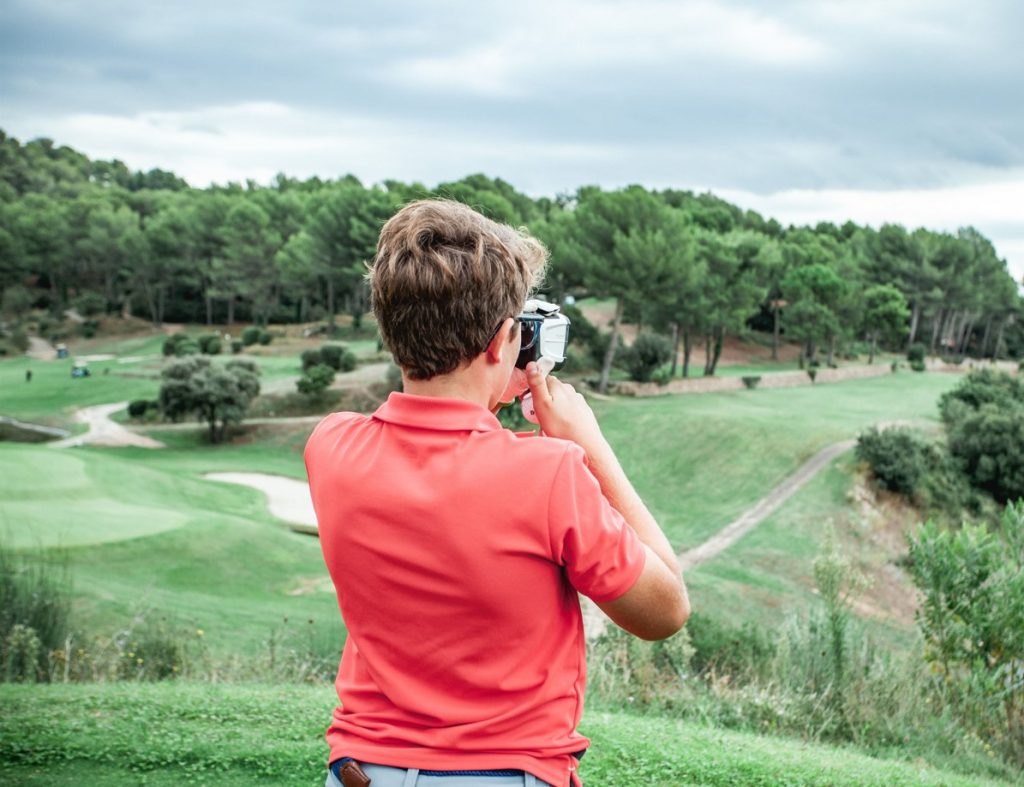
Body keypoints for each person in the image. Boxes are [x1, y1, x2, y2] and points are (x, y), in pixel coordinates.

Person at [305, 200, 689, 787]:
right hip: (501, 772)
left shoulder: (330, 448)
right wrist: (590, 444)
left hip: (361, 769)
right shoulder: (550, 473)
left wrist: (479, 384)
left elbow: (428, 437)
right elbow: (665, 612)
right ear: (505, 340)